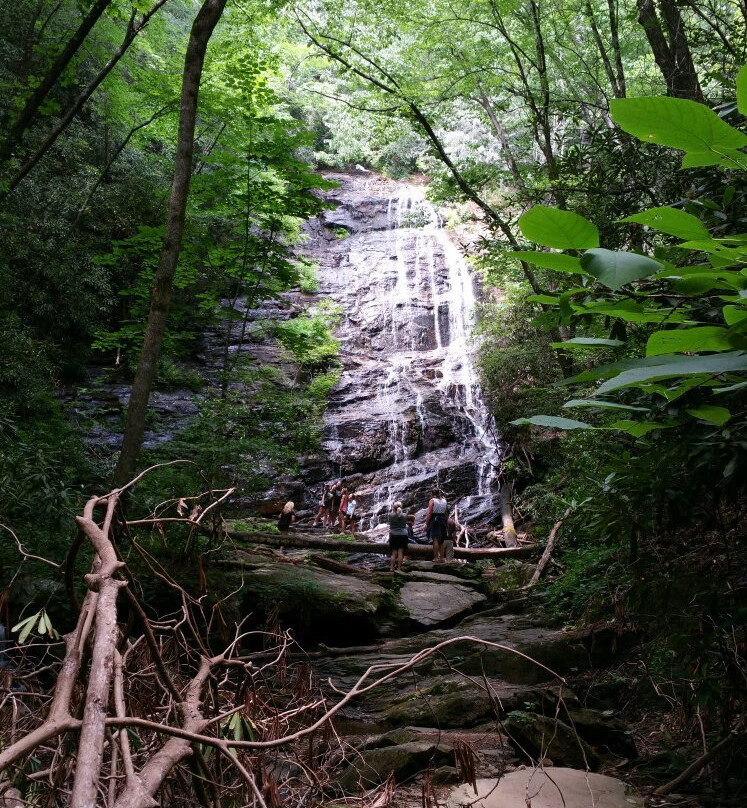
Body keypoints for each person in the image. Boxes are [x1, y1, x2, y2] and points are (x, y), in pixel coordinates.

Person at [425, 488, 448, 562]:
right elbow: (446, 512)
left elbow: (429, 512)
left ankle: (436, 557)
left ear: (432, 494)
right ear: (439, 493)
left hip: (435, 520)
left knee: (435, 539)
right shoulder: (445, 501)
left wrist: (426, 523)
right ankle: (441, 558)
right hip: (443, 520)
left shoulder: (432, 500)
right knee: (441, 540)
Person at [388, 501, 409, 572]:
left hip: (393, 535)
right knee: (400, 553)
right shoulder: (405, 515)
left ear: (393, 508)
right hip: (403, 535)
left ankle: (391, 568)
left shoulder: (390, 515)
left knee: (394, 553)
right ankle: (399, 569)